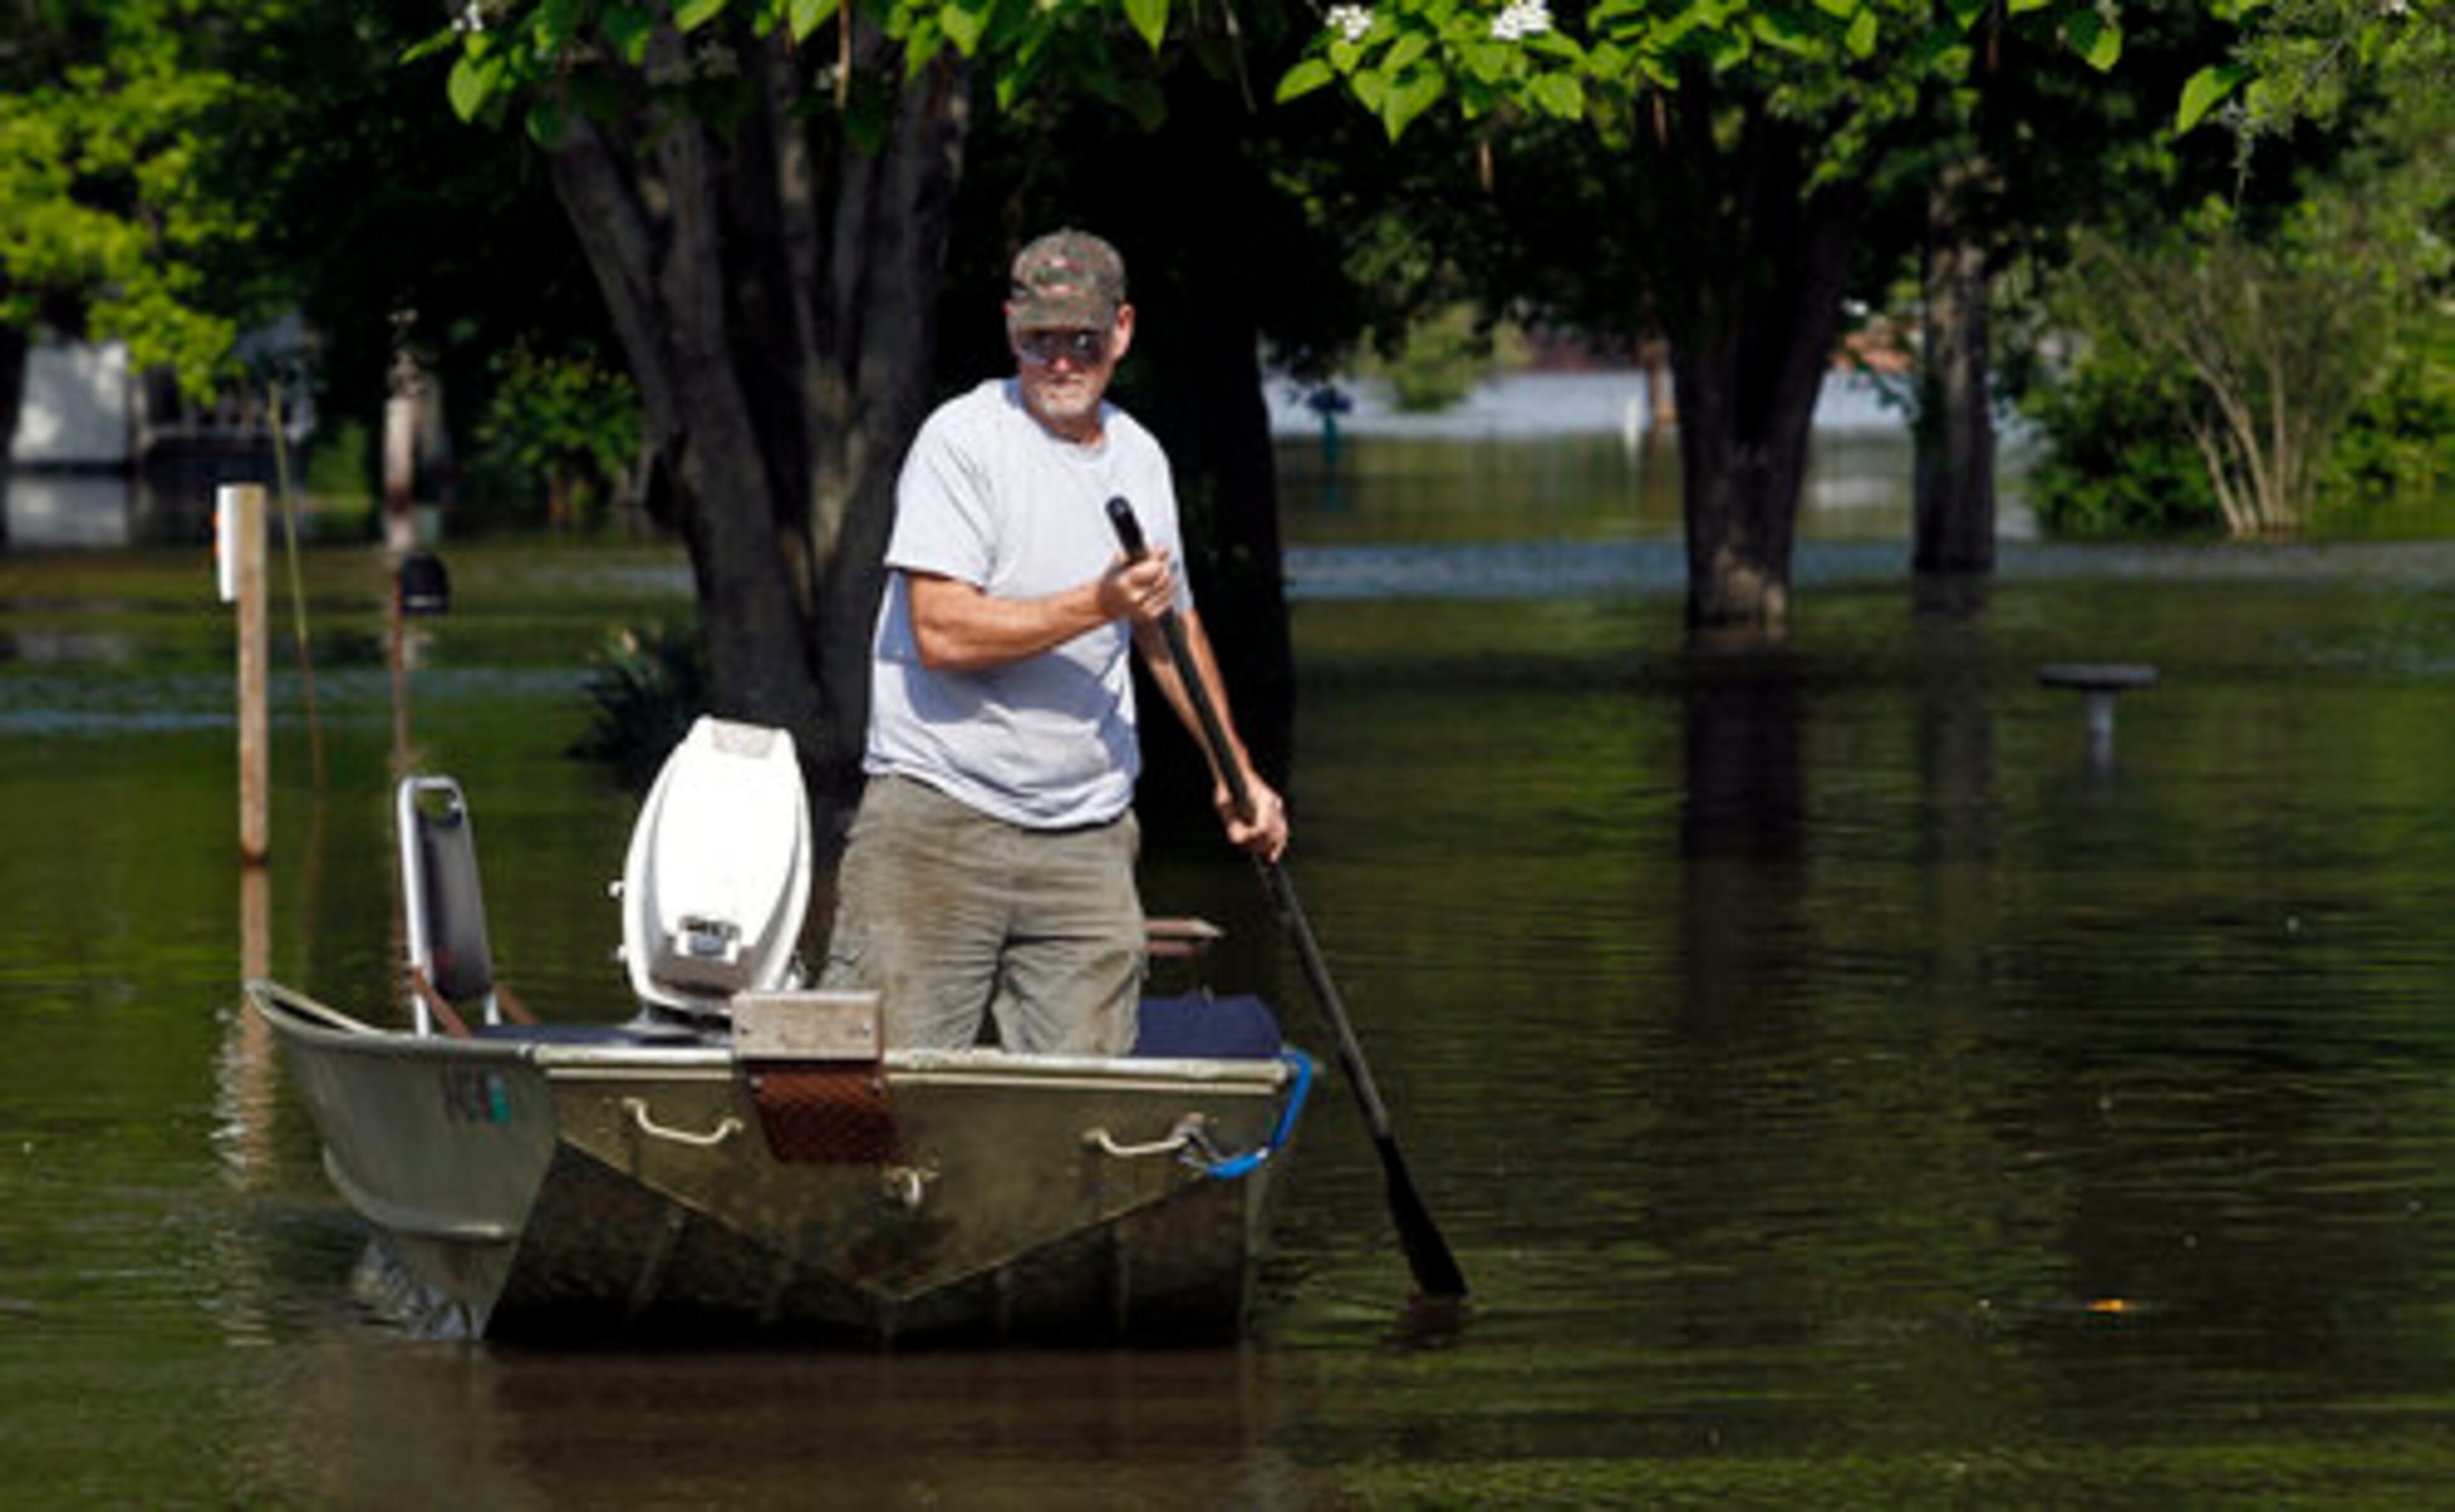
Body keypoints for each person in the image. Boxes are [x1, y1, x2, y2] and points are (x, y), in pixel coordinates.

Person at [820, 228, 1289, 1056]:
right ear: (1011, 331)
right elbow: (942, 630)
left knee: (1086, 1115)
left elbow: (1167, 624)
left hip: (1088, 833)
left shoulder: (1140, 457)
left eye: (1083, 339)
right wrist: (1095, 602)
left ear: (1123, 331)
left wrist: (1235, 771)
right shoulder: (963, 441)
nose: (1063, 361)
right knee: (883, 1093)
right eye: (1041, 341)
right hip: (937, 819)